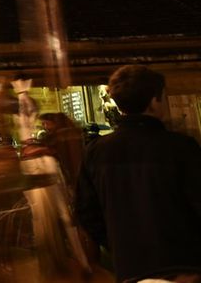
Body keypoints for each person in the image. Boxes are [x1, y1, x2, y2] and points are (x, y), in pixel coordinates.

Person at [75, 64, 201, 282]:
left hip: (130, 268)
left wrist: (118, 243)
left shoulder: (96, 151)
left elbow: (86, 212)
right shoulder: (181, 148)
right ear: (154, 101)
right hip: (184, 268)